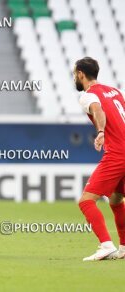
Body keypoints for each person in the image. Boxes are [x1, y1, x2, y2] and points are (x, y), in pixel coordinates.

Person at [74, 57, 125, 261]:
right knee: (116, 199)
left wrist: (101, 131)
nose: (74, 78)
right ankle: (123, 247)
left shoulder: (88, 95)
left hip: (117, 153)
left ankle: (105, 245)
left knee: (86, 201)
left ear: (80, 74)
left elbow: (98, 110)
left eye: (74, 74)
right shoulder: (115, 92)